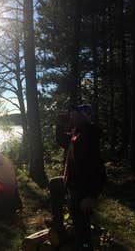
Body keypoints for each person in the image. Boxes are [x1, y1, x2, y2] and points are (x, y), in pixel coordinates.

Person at [49, 104, 106, 251]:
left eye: (73, 113)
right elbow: (62, 141)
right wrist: (59, 125)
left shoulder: (88, 136)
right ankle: (59, 225)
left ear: (82, 116)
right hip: (71, 183)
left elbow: (99, 169)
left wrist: (92, 196)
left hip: (81, 191)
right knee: (54, 184)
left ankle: (85, 247)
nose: (70, 116)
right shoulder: (77, 133)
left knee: (82, 231)